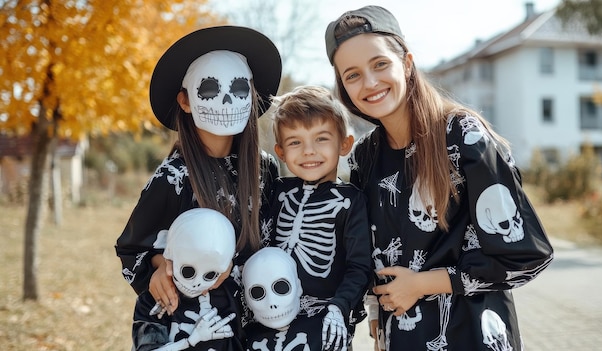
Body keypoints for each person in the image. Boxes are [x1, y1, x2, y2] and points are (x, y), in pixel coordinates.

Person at [325, 6, 554, 351]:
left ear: (406, 63)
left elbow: (525, 255)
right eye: (352, 75)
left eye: (380, 64)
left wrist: (423, 284)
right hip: (401, 336)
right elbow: (368, 253)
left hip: (473, 334)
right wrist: (376, 316)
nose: (369, 83)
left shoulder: (462, 135)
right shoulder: (362, 158)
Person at [115, 25, 282, 350]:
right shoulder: (173, 176)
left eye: (238, 88)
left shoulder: (265, 168)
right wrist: (159, 267)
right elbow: (132, 248)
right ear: (185, 101)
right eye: (209, 89)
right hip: (201, 327)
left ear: (251, 94)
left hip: (260, 324)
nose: (227, 100)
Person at [246, 86, 371, 351]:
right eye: (295, 142)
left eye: (321, 139)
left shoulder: (351, 200)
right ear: (280, 152)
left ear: (345, 144)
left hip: (324, 323)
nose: (308, 151)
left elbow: (359, 267)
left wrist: (340, 307)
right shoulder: (276, 191)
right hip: (266, 319)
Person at [132, 208, 238, 350]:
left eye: (210, 275)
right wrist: (192, 340)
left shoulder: (228, 297)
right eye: (188, 271)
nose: (197, 283)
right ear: (168, 255)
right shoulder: (154, 301)